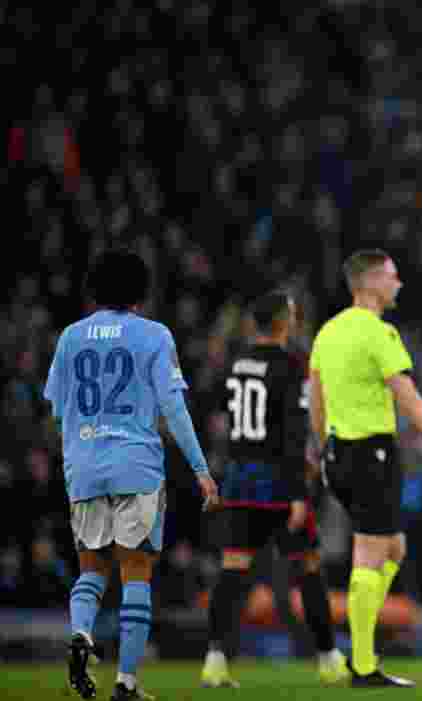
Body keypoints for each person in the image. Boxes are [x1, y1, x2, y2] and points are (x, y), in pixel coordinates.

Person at [43, 249, 220, 701]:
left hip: (83, 466)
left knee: (90, 569)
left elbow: (58, 409)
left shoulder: (69, 338)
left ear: (93, 289)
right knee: (136, 572)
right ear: (141, 291)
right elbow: (173, 408)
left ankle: (82, 632)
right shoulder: (154, 335)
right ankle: (126, 682)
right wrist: (200, 468)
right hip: (135, 465)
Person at [308, 249, 422, 688]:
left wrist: (323, 450)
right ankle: (362, 664)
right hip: (370, 454)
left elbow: (316, 399)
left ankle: (360, 648)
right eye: (393, 277)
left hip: (338, 453)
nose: (398, 284)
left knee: (394, 550)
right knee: (370, 555)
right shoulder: (378, 333)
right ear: (372, 282)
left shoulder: (328, 333)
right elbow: (408, 396)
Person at [200, 291, 348, 688]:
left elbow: (222, 414)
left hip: (239, 479)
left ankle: (215, 659)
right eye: (294, 316)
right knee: (308, 568)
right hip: (279, 483)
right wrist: (299, 492)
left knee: (233, 569)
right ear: (284, 322)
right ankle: (328, 657)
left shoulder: (235, 363)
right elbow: (293, 433)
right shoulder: (290, 365)